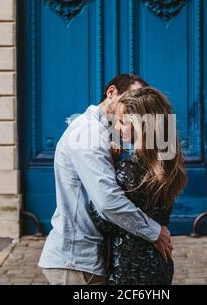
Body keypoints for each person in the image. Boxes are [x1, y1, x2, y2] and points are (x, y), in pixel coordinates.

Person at [38, 74, 173, 285]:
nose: (132, 105)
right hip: (77, 261)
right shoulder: (88, 132)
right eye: (130, 97)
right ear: (111, 93)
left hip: (95, 259)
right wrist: (154, 232)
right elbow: (107, 202)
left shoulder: (112, 133)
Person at [89, 87, 188, 285]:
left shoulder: (129, 170)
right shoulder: (167, 165)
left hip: (129, 270)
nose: (116, 128)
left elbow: (101, 216)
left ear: (142, 127)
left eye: (123, 123)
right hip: (159, 264)